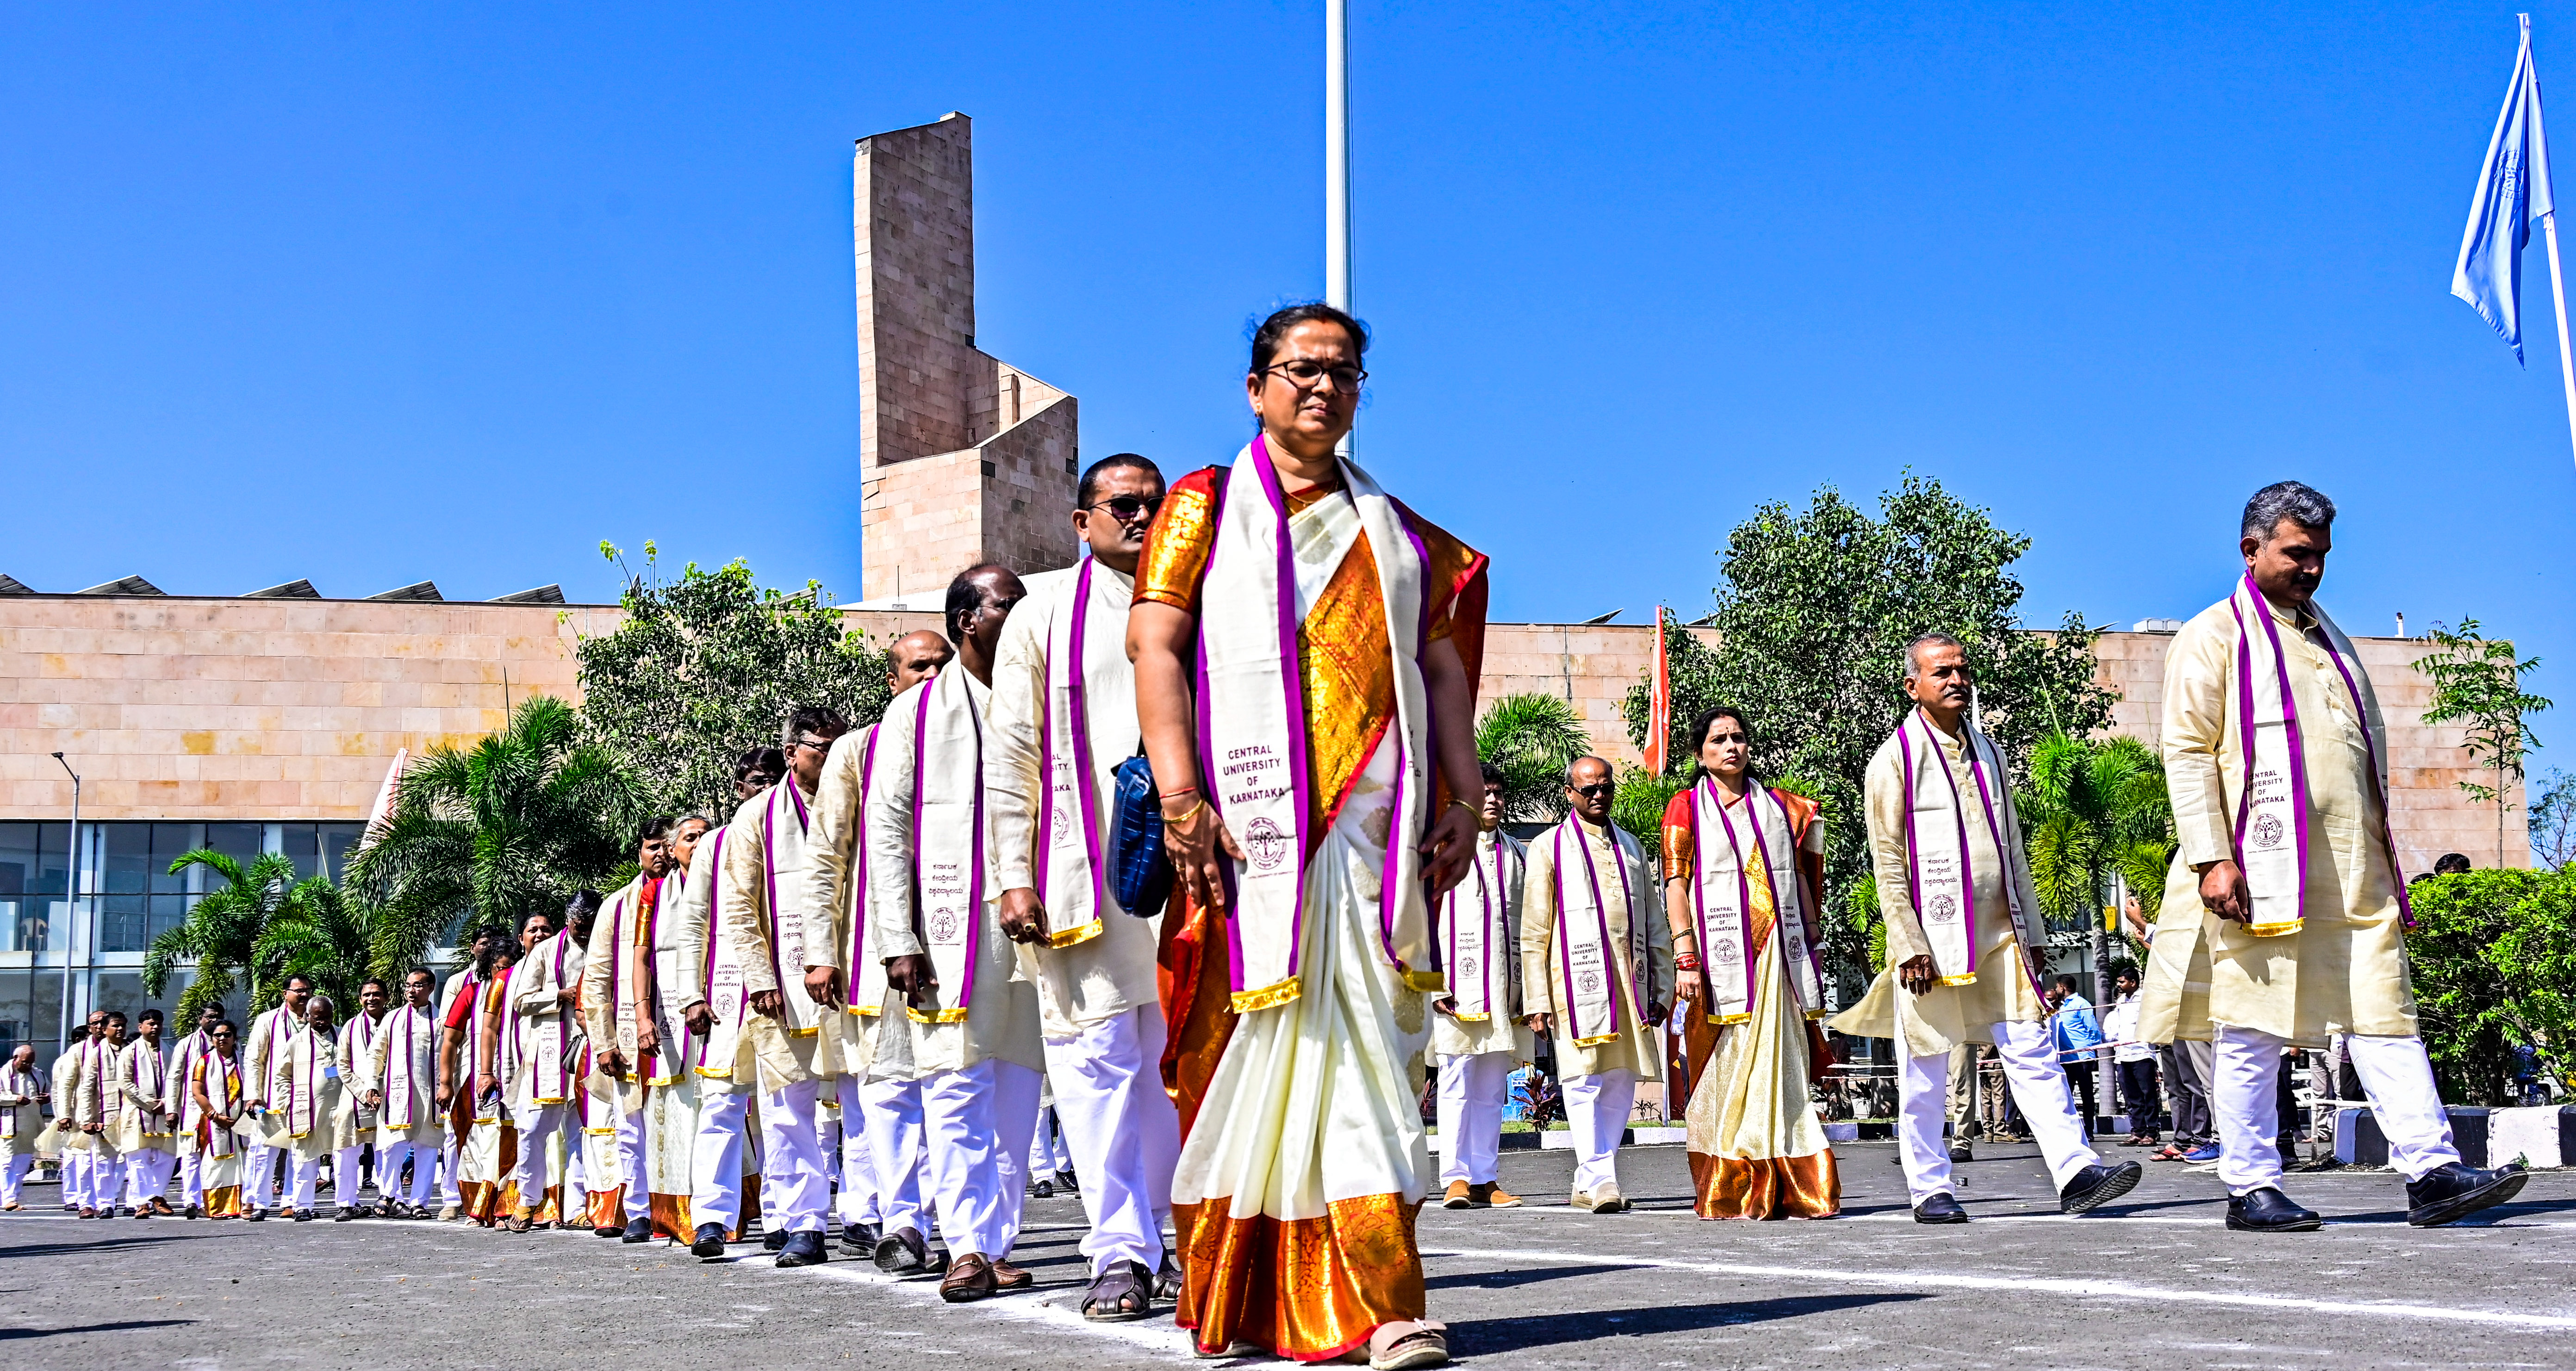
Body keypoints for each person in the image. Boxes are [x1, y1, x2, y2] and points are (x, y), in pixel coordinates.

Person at [1133, 303, 1489, 1370]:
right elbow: (1157, 643)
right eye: (1301, 370)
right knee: (1244, 1060)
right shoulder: (1203, 505)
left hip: (1375, 839)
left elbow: (1438, 674)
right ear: (1256, 387)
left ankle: (1386, 1300)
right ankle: (1251, 1296)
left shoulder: (1400, 535)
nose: (1323, 388)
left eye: (1343, 372)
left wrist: (1463, 798)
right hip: (1246, 843)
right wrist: (1183, 796)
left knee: (1368, 1060)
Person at [2138, 481, 2529, 1230]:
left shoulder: (2332, 638)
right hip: (2261, 867)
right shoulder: (2213, 635)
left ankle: (2430, 1169)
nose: (2312, 569)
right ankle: (2250, 1183)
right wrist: (2210, 857)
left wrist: (2384, 858)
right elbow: (2186, 752)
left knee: (2386, 1007)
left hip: (2353, 867)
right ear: (2250, 549)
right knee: (2253, 1020)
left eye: (2320, 556)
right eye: (2297, 553)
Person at [1827, 634, 2141, 1223]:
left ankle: (2075, 1171)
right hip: (1931, 942)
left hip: (2000, 934)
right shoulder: (1892, 759)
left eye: (1961, 669)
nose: (1955, 679)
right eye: (1940, 671)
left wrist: (2036, 933)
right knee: (1925, 1067)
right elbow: (1887, 859)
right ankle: (1929, 1187)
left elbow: (2012, 848)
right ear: (1911, 685)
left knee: (2031, 1048)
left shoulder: (1990, 751)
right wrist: (1907, 942)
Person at [989, 454, 1190, 1319]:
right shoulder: (1042, 616)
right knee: (1096, 1065)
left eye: (1157, 501)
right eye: (1123, 503)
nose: (1143, 515)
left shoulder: (1197, 601)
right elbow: (1014, 757)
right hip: (1083, 874)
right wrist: (1013, 874)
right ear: (1082, 521)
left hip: (1190, 871)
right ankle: (1117, 1249)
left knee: (1174, 1069)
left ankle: (1178, 1235)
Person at [867, 565, 1049, 1303]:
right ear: (968, 620)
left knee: (1017, 1086)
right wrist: (896, 934)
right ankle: (966, 1244)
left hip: (1037, 917)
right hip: (952, 924)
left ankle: (996, 1240)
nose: (1023, 613)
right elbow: (886, 828)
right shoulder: (914, 713)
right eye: (1010, 603)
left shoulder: (1036, 693)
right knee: (953, 1082)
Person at [800, 636, 952, 1266]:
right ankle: (902, 1222)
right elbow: (825, 856)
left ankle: (971, 1232)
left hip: (963, 940)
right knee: (889, 1085)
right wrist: (820, 950)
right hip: (881, 947)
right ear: (893, 680)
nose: (934, 673)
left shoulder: (981, 727)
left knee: (958, 1081)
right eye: (920, 665)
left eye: (943, 662)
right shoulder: (857, 748)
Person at [1660, 707, 1839, 1221]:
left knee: (1781, 1067)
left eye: (1738, 736)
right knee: (1732, 1066)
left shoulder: (1782, 807)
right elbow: (1676, 884)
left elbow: (1800, 879)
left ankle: (1792, 1179)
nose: (1731, 746)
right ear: (1700, 754)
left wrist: (1813, 939)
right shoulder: (1686, 807)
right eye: (1718, 739)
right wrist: (1685, 955)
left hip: (1778, 960)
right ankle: (1733, 1178)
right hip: (1720, 967)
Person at [726, 705, 853, 1268]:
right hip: (785, 982)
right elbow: (738, 904)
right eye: (818, 747)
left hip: (853, 974)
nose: (828, 756)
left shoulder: (857, 798)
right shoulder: (755, 816)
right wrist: (760, 977)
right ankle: (803, 1222)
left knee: (865, 1099)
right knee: (789, 1110)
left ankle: (868, 1213)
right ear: (790, 752)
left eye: (836, 744)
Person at [1522, 757, 1671, 1214]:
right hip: (1574, 987)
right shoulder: (1548, 847)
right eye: (1588, 789)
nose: (1598, 795)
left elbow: (1653, 919)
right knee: (1584, 1078)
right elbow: (1533, 930)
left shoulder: (1629, 846)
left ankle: (1589, 1176)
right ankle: (1601, 1176)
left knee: (1621, 1078)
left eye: (1605, 787)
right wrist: (1536, 998)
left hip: (1630, 983)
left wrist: (1662, 985)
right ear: (1569, 793)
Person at [678, 748, 784, 1258]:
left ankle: (785, 1216)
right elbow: (691, 923)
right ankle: (712, 1220)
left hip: (782, 992)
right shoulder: (713, 846)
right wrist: (690, 995)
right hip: (726, 992)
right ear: (738, 787)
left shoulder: (796, 830)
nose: (763, 789)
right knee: (721, 1106)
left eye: (772, 780)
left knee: (781, 1108)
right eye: (754, 781)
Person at [1431, 763, 1528, 1212]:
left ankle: (1485, 1178)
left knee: (1492, 1088)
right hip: (1455, 988)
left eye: (1497, 793)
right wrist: (1432, 982)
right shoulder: (1443, 849)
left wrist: (1529, 994)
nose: (1491, 799)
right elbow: (1424, 919)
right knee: (1455, 1082)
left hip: (1503, 991)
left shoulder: (1516, 853)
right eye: (1483, 792)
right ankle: (1454, 1177)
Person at [633, 814, 713, 1241]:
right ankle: (679, 1215)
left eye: (705, 835)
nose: (698, 843)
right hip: (670, 1018)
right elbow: (642, 957)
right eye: (689, 837)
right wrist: (644, 1017)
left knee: (722, 1108)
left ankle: (723, 1214)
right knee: (678, 1112)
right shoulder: (655, 893)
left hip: (722, 1006)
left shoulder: (728, 875)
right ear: (672, 847)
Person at [588, 831, 671, 1241]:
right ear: (639, 852)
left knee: (678, 1122)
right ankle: (638, 1210)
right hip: (627, 1032)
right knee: (631, 1126)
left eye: (665, 846)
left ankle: (680, 1210)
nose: (660, 853)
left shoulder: (691, 892)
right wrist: (602, 1042)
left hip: (682, 1029)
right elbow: (597, 979)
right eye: (652, 846)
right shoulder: (615, 905)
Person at [504, 890, 591, 1233]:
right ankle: (527, 1201)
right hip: (549, 1054)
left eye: (589, 926)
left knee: (582, 1133)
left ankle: (578, 1208)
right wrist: (560, 995)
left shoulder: (603, 944)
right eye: (579, 926)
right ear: (569, 920)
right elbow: (521, 1001)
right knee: (532, 1131)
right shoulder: (544, 951)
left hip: (588, 1046)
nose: (584, 932)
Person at [433, 924, 501, 1220]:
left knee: (497, 1135)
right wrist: (445, 1082)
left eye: (493, 945)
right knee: (457, 1135)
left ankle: (492, 1199)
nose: (487, 949)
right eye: (483, 943)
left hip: (503, 1066)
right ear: (473, 947)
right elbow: (446, 1030)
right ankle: (453, 1197)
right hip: (466, 1068)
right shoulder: (461, 983)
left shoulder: (513, 980)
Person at [367, 968, 444, 1218]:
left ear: (431, 988)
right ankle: (389, 1195)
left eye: (418, 986)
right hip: (398, 1093)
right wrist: (371, 1084)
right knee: (393, 1146)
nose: (412, 991)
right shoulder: (392, 1018)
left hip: (430, 1093)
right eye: (408, 986)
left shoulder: (441, 1019)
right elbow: (376, 1054)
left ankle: (418, 1202)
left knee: (428, 1148)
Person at [242, 975, 317, 1219]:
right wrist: (253, 1095)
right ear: (286, 994)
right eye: (298, 991)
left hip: (305, 1099)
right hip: (272, 1099)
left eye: (307, 990)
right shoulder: (268, 1020)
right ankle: (257, 1202)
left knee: (299, 1152)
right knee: (264, 1152)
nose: (303, 995)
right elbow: (254, 1060)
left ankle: (291, 1202)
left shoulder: (316, 1021)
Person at [271, 994, 346, 1221]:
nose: (322, 1022)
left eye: (326, 1017)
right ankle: (303, 1205)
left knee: (344, 1159)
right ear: (308, 1016)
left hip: (339, 1109)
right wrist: (288, 1102)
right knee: (305, 1159)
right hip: (307, 1110)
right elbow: (282, 1076)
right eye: (317, 1017)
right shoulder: (296, 1042)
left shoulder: (343, 1036)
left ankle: (346, 1204)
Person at [112, 1008, 177, 1217]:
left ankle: (156, 1195)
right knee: (138, 1159)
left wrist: (166, 1102)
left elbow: (177, 1080)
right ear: (141, 1027)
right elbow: (125, 1082)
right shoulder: (130, 1051)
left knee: (167, 1157)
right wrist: (150, 1103)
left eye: (159, 1023)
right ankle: (143, 1202)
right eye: (150, 1023)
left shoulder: (169, 1050)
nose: (155, 1027)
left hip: (165, 1112)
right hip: (137, 1111)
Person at [164, 1004, 222, 1217]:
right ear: (201, 1019)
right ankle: (191, 1200)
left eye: (218, 1017)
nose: (214, 1021)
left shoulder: (227, 1043)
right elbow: (174, 1078)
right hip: (191, 1108)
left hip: (219, 1107)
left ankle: (213, 1201)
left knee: (216, 1155)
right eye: (210, 1017)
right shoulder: (186, 1044)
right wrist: (171, 1109)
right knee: (190, 1156)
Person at [189, 1021, 249, 1218]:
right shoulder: (204, 1062)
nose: (222, 1038)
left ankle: (239, 1206)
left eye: (227, 1034)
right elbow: (197, 1093)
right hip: (214, 1122)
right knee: (214, 1165)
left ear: (235, 1038)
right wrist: (215, 1115)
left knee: (241, 1164)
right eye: (218, 1036)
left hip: (240, 1122)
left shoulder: (244, 1061)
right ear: (212, 1039)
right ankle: (215, 1208)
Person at [2099, 963, 2160, 1147]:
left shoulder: (2145, 999)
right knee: (2131, 1097)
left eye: (2122, 982)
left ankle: (2151, 1132)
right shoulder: (2121, 1001)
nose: (2119, 985)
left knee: (2148, 1094)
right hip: (2123, 1055)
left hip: (2142, 1053)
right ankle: (2137, 1131)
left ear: (2133, 983)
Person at [56, 1011, 107, 1217]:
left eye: (104, 1022)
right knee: (85, 1160)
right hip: (83, 1113)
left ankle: (107, 1202)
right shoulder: (78, 1051)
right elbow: (66, 1085)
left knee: (111, 1161)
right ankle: (85, 1202)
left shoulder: (121, 1049)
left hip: (112, 1113)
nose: (100, 1027)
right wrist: (64, 1114)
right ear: (90, 1028)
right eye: (95, 1023)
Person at [2047, 976, 2107, 1140]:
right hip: (2066, 1059)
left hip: (2082, 1057)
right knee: (2067, 1095)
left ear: (2062, 987)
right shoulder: (2060, 1007)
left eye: (2057, 987)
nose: (2056, 989)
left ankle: (2089, 1130)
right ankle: (2071, 1129)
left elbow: (2093, 1029)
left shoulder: (2081, 1004)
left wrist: (2090, 1050)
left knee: (2087, 1094)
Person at [1, 1043, 47, 1210]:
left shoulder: (38, 1074)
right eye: (25, 1063)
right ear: (16, 1059)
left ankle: (12, 1197)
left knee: (22, 1163)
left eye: (31, 1063)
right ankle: (7, 1198)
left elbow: (48, 1091)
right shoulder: (3, 1074)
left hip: (30, 1126)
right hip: (8, 1126)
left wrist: (46, 1099)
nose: (28, 1066)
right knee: (6, 1163)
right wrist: (15, 1100)